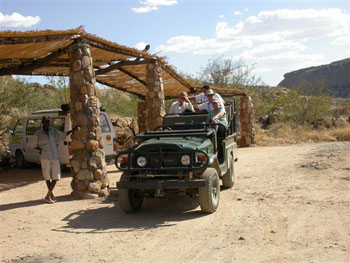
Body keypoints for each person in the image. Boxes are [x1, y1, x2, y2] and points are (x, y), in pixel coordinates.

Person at [30, 116, 75, 203]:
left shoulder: (53, 131)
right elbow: (32, 144)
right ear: (42, 122)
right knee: (47, 176)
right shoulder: (38, 133)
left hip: (54, 155)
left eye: (48, 121)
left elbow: (63, 135)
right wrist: (41, 149)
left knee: (56, 176)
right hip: (45, 156)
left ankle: (48, 194)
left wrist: (72, 131)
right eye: (46, 121)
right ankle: (50, 195)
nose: (47, 123)